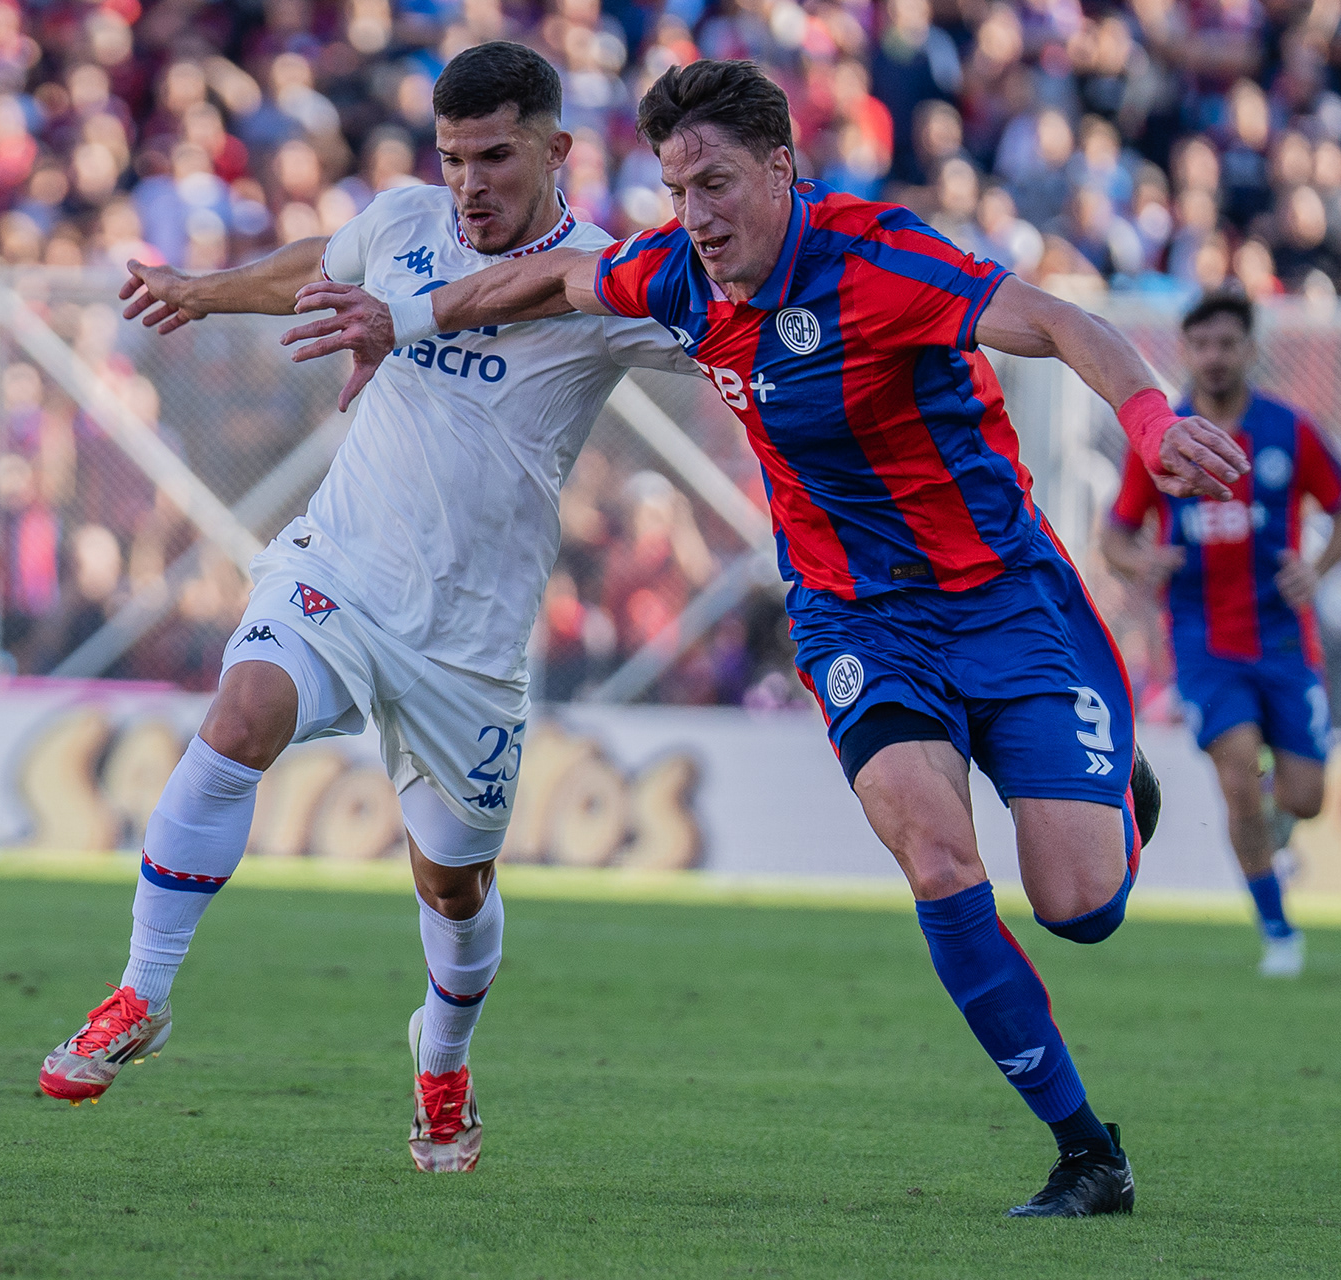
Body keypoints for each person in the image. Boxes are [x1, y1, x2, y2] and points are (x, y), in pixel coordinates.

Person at [285, 58, 1245, 1217]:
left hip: (1005, 602)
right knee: (938, 860)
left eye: (718, 183)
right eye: (678, 186)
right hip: (856, 618)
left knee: (1080, 905)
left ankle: (1114, 787)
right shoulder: (680, 274)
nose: (696, 213)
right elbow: (548, 284)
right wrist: (404, 315)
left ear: (783, 167)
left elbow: (1052, 317)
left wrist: (1148, 418)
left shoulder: (880, 258)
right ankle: (1087, 1149)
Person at [35, 41, 694, 1174]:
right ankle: (140, 993)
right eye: (452, 159)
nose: (470, 183)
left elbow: (730, 336)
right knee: (241, 714)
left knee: (454, 882)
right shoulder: (403, 221)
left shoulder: (607, 279)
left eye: (496, 156)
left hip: (470, 646)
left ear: (557, 150)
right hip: (337, 571)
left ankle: (442, 1057)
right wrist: (202, 292)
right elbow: (321, 265)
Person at [1103, 291, 1341, 978]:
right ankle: (1278, 929)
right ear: (1187, 351)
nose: (1214, 357)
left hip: (1283, 639)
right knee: (1238, 770)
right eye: (1202, 344)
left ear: (1249, 349)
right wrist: (1140, 561)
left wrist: (1318, 567)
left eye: (1227, 343)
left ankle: (1268, 829)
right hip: (1204, 641)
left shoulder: (1288, 431)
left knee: (1305, 796)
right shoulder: (1164, 435)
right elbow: (1115, 535)